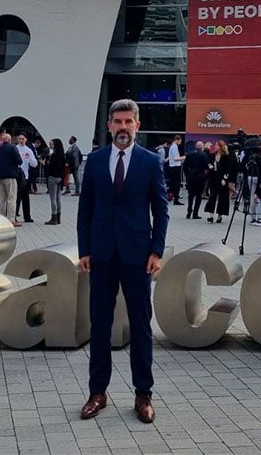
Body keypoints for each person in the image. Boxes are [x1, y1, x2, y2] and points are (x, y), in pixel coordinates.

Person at [76, 98, 168, 424]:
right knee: (99, 326)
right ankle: (97, 392)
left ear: (137, 125)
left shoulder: (149, 161)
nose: (123, 127)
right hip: (101, 256)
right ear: (109, 125)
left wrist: (157, 251)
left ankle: (143, 394)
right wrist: (84, 249)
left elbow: (161, 208)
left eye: (129, 122)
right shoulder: (97, 161)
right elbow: (85, 208)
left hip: (137, 257)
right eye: (118, 121)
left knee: (141, 327)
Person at [0, 133, 23, 226]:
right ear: (9, 140)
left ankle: (1, 219)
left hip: (0, 176)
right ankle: (11, 219)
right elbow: (19, 161)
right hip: (10, 176)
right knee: (11, 198)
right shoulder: (12, 148)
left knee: (2, 199)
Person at [203, 140, 235, 224]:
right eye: (215, 145)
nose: (215, 146)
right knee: (212, 196)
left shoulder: (226, 157)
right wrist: (210, 166)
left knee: (222, 197)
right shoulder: (212, 155)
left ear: (221, 147)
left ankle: (220, 216)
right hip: (213, 178)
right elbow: (208, 163)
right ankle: (211, 216)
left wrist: (225, 179)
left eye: (217, 145)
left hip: (222, 178)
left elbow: (228, 169)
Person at [182, 141, 209, 220]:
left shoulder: (189, 154)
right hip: (200, 178)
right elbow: (206, 166)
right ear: (201, 147)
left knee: (190, 195)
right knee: (198, 196)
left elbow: (185, 167)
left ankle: (189, 212)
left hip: (191, 177)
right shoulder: (203, 155)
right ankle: (195, 213)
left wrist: (188, 175)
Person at [15, 133, 38, 223]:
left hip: (25, 176)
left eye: (22, 139)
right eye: (19, 138)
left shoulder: (28, 150)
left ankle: (27, 216)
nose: (21, 140)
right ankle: (14, 215)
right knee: (16, 197)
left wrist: (29, 158)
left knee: (25, 197)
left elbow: (34, 164)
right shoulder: (15, 149)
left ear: (26, 140)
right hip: (16, 175)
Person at [45, 138, 66, 225]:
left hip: (53, 177)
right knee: (58, 198)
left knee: (52, 198)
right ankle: (58, 217)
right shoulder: (63, 155)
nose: (51, 146)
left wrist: (46, 163)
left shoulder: (54, 155)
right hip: (60, 177)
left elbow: (51, 166)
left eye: (52, 144)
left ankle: (54, 218)